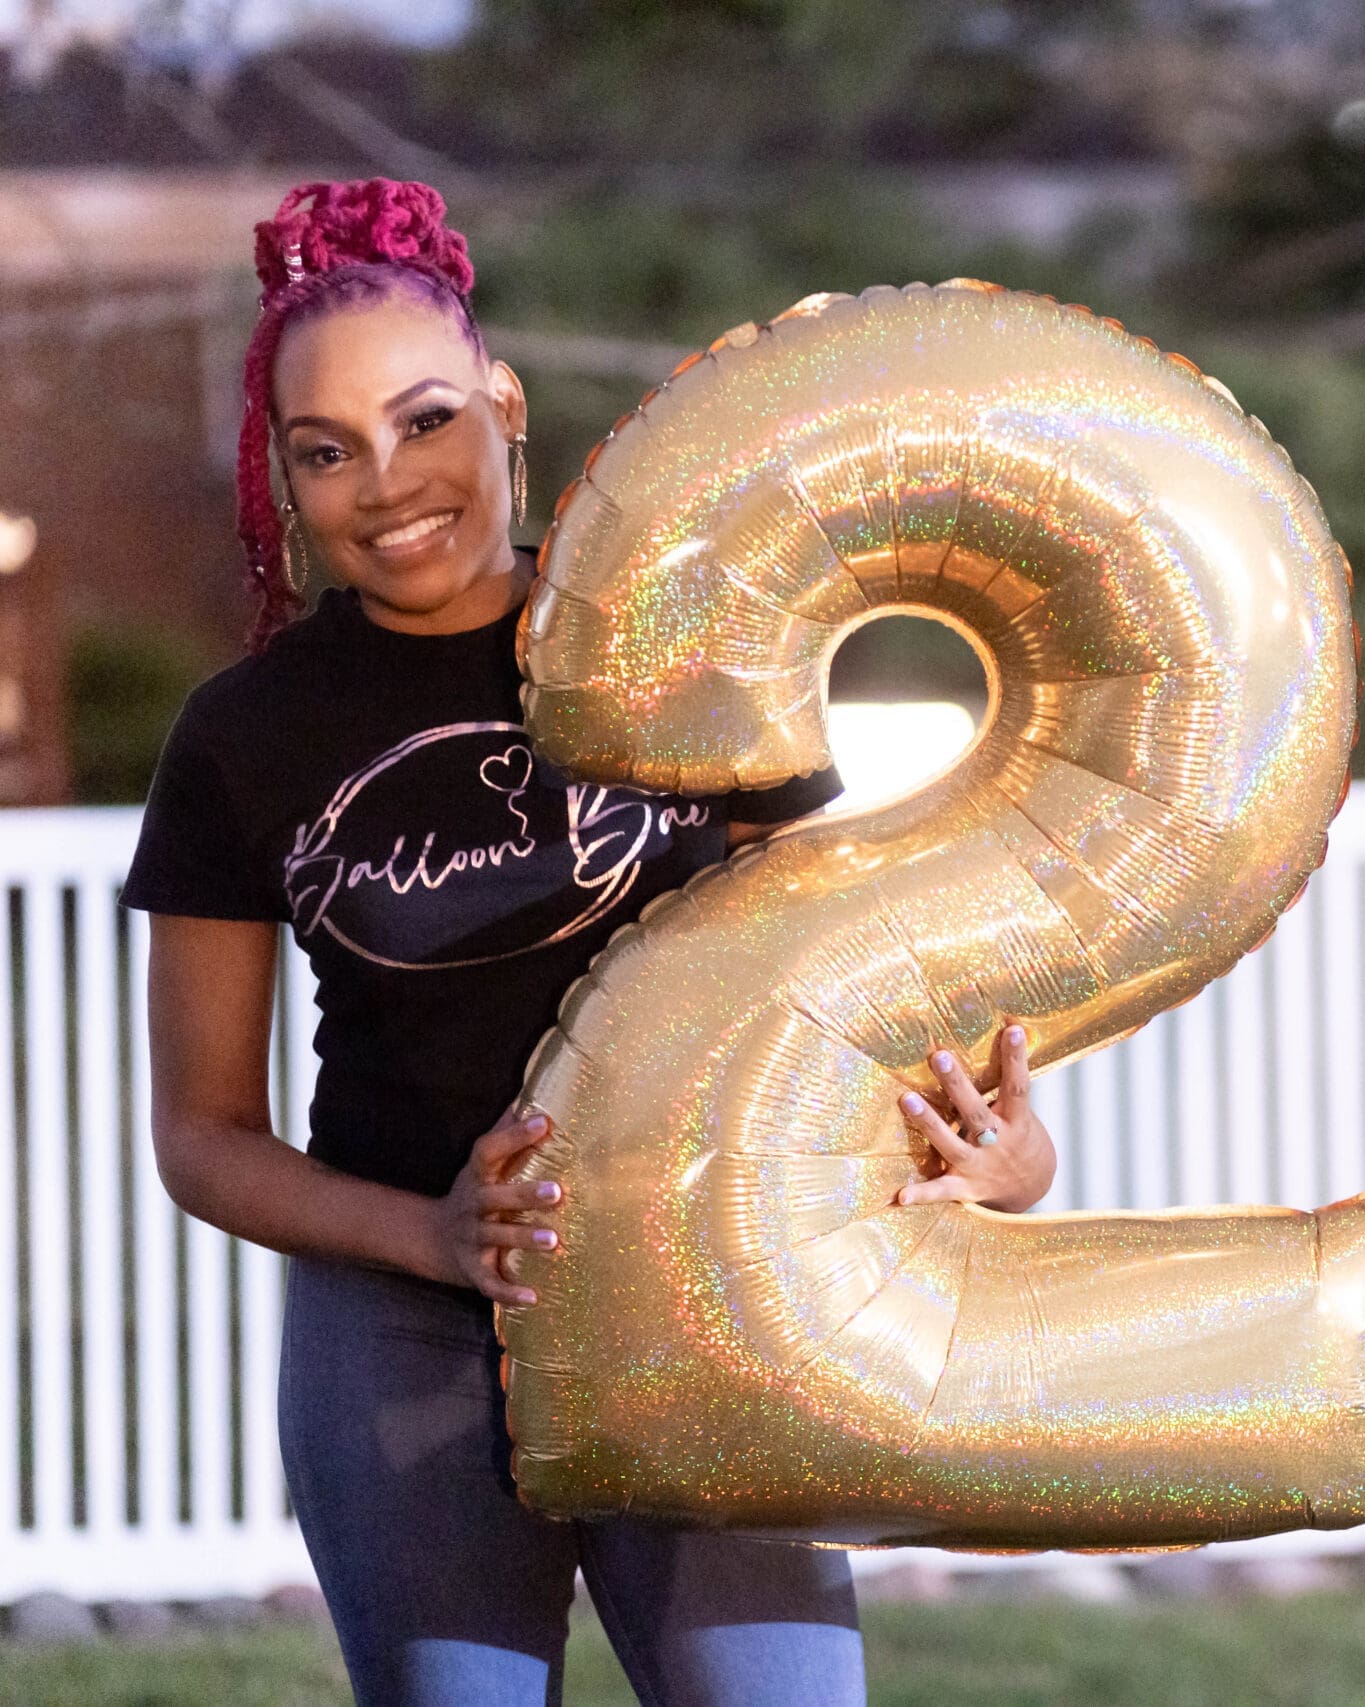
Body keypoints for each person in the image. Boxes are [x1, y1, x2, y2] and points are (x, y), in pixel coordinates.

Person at [125, 179, 1057, 1707]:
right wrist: (429, 1234)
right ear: (283, 479)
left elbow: (844, 1001)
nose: (386, 480)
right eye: (326, 450)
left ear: (502, 403)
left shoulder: (685, 655)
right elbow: (202, 1138)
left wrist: (1000, 1162)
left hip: (704, 1303)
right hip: (403, 1333)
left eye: (424, 420)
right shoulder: (242, 736)